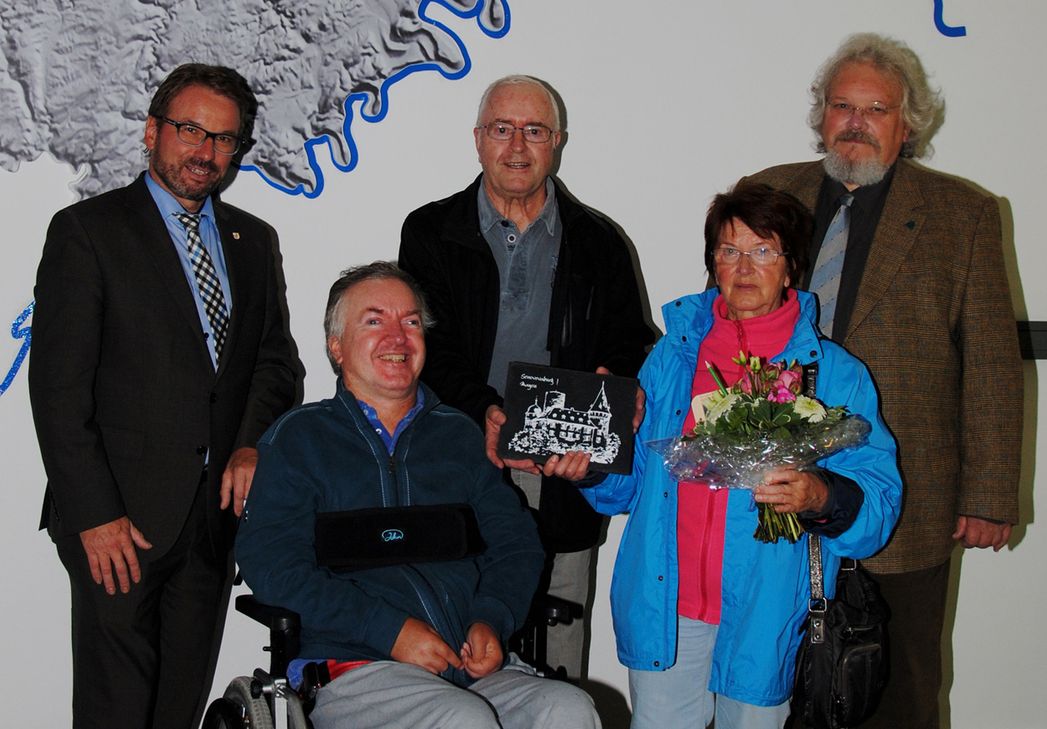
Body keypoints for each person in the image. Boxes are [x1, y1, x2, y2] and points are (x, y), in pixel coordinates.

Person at [740, 33, 1023, 729]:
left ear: (908, 123)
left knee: (896, 689)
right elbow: (730, 325)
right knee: (772, 682)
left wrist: (988, 492)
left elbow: (990, 361)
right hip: (771, 493)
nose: (855, 123)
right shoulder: (768, 194)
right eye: (842, 106)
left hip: (905, 497)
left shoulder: (963, 214)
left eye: (876, 109)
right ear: (821, 115)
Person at [551, 184, 901, 729]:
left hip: (768, 614)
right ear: (712, 262)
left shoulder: (833, 373)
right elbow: (629, 488)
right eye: (728, 251)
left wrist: (821, 495)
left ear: (791, 269)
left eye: (763, 250)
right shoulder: (672, 355)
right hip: (669, 604)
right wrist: (592, 465)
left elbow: (878, 506)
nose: (744, 266)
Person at [29, 64, 299, 729]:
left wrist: (248, 444)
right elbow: (58, 389)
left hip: (209, 525)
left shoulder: (253, 242)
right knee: (117, 710)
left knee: (177, 709)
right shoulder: (88, 232)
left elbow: (275, 363)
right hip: (118, 524)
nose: (205, 152)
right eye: (190, 131)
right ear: (153, 131)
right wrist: (94, 516)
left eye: (223, 139)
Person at [235, 262, 601, 729]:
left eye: (410, 321)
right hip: (355, 666)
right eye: (374, 321)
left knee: (569, 709)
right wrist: (388, 632)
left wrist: (491, 618)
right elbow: (272, 564)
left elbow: (516, 544)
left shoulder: (459, 437)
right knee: (462, 720)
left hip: (467, 663)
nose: (397, 336)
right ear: (336, 347)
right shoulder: (299, 439)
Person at [398, 74, 656, 679]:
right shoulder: (430, 232)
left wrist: (615, 392)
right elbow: (422, 346)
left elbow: (631, 343)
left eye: (534, 130)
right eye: (502, 129)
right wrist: (482, 410)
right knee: (452, 640)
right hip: (459, 461)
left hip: (563, 473)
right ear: (478, 139)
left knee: (558, 643)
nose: (517, 146)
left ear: (558, 141)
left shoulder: (600, 242)